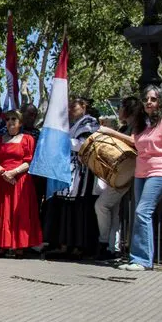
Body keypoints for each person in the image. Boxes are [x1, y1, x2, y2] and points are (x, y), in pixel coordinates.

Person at [100, 86, 162, 271]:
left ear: (160, 101)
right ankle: (136, 258)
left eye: (153, 99)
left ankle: (142, 260)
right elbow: (133, 142)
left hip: (161, 171)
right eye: (146, 99)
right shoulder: (144, 122)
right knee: (139, 214)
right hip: (141, 172)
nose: (149, 102)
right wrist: (110, 132)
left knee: (142, 212)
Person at [0, 109, 42, 257]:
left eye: (14, 119)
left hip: (19, 181)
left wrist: (12, 173)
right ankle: (1, 244)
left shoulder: (28, 139)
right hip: (0, 180)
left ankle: (19, 245)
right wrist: (3, 173)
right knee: (1, 212)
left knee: (18, 211)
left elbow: (29, 161)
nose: (10, 122)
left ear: (20, 123)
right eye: (8, 119)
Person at [44, 97, 100, 259]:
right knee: (63, 206)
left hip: (80, 173)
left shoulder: (89, 123)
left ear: (84, 106)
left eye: (73, 106)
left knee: (78, 208)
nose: (70, 109)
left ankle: (78, 245)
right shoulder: (70, 124)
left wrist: (61, 141)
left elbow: (84, 145)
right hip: (65, 170)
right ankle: (64, 244)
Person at [93, 96, 140, 261]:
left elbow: (135, 142)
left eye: (120, 107)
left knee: (101, 205)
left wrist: (109, 132)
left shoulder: (137, 126)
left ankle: (104, 242)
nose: (118, 111)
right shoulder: (125, 127)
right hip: (119, 173)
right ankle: (113, 248)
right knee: (113, 211)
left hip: (127, 173)